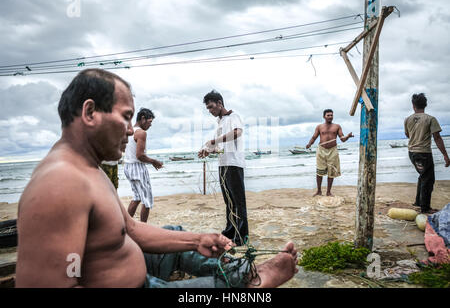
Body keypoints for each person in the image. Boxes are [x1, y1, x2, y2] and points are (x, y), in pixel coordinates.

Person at [15, 69, 298, 288]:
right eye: (126, 118)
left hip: (141, 270)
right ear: (90, 113)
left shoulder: (89, 170)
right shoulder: (59, 186)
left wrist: (196, 239)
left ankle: (241, 273)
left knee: (176, 230)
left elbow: (133, 231)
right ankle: (252, 282)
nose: (131, 131)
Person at [198, 90, 248, 247]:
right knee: (229, 201)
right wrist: (208, 150)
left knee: (238, 202)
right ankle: (230, 232)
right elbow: (219, 146)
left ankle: (241, 237)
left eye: (212, 107)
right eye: (208, 109)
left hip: (234, 164)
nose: (211, 111)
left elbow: (237, 133)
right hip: (223, 164)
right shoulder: (219, 122)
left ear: (220, 103)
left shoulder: (234, 117)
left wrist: (214, 141)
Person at [404, 93, 450, 214]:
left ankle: (419, 202)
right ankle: (425, 208)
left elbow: (408, 135)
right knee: (428, 179)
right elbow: (437, 138)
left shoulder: (407, 119)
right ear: (425, 105)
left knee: (423, 176)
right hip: (424, 153)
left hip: (412, 153)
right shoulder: (430, 119)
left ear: (413, 106)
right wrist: (445, 155)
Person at [124, 108, 163, 223]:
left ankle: (125, 225)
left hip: (128, 166)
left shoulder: (129, 131)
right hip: (137, 167)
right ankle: (144, 228)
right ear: (143, 119)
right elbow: (140, 155)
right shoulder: (141, 133)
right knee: (147, 201)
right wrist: (154, 161)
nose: (150, 125)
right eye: (150, 122)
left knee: (137, 197)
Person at [306, 109, 353, 197]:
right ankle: (319, 191)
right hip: (321, 150)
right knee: (319, 171)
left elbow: (342, 139)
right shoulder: (319, 127)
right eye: (328, 115)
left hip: (333, 150)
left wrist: (348, 136)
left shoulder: (337, 126)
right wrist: (309, 144)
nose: (330, 117)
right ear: (324, 116)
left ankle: (328, 192)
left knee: (331, 171)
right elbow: (314, 137)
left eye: (331, 115)